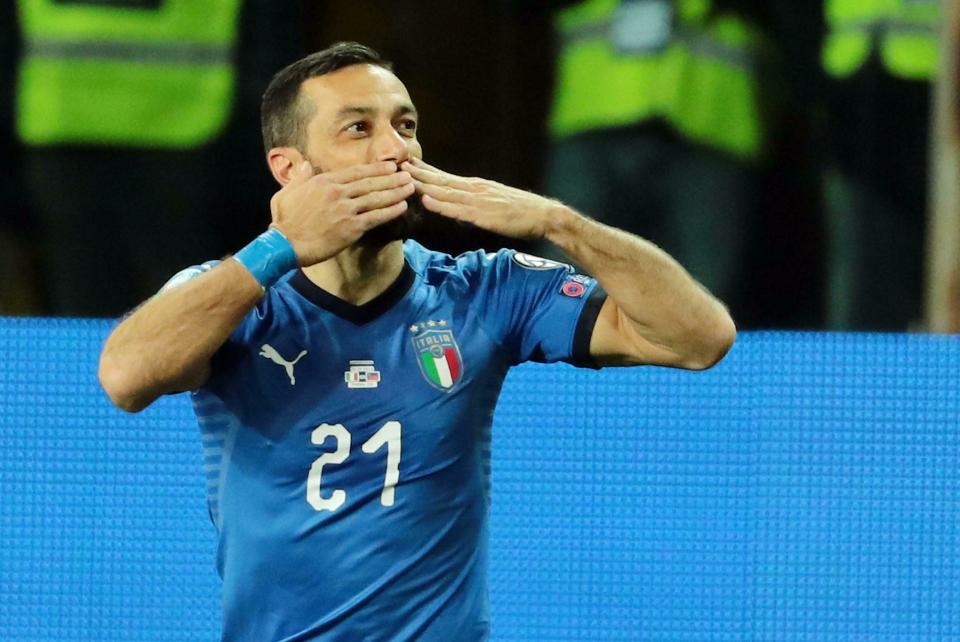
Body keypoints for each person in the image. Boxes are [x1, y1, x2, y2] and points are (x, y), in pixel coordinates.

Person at [98, 42, 735, 641]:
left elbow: (699, 339)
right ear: (289, 169)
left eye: (405, 126)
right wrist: (277, 249)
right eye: (359, 129)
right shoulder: (233, 296)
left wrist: (559, 224)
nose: (396, 150)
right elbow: (127, 378)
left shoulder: (482, 290)